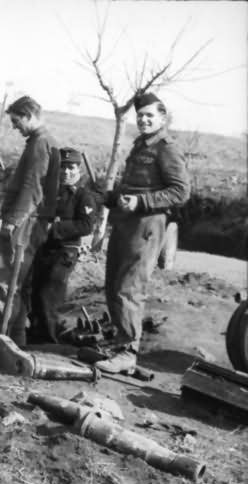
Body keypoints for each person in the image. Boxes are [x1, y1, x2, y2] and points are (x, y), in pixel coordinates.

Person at [96, 92, 190, 373]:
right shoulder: (140, 146)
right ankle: (119, 344)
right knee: (113, 284)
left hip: (147, 226)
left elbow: (180, 191)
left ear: (163, 118)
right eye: (140, 116)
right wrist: (113, 197)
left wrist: (142, 202)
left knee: (130, 287)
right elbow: (136, 187)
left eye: (150, 115)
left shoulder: (167, 149)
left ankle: (128, 352)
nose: (144, 120)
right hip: (126, 223)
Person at [0, 95, 60, 346]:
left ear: (29, 116)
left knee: (3, 280)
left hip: (24, 221)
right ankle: (13, 335)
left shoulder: (40, 144)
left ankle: (4, 335)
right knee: (16, 283)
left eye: (17, 121)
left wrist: (14, 219)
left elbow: (33, 187)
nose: (14, 127)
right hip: (32, 221)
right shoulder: (43, 141)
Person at [28, 148, 97, 344]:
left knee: (49, 295)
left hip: (65, 252)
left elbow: (86, 225)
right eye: (63, 167)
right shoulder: (51, 192)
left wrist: (55, 228)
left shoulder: (83, 196)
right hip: (44, 249)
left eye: (71, 167)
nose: (66, 172)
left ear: (78, 170)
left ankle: (49, 341)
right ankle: (34, 334)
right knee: (34, 290)